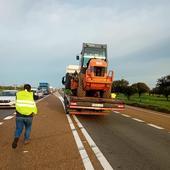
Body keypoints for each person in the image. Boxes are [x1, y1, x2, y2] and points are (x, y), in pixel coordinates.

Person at [12, 84, 37, 149]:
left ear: (23, 88)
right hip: (29, 115)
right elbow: (36, 98)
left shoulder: (18, 94)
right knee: (28, 127)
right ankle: (26, 139)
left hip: (19, 115)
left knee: (19, 128)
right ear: (30, 89)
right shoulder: (31, 94)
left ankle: (16, 138)